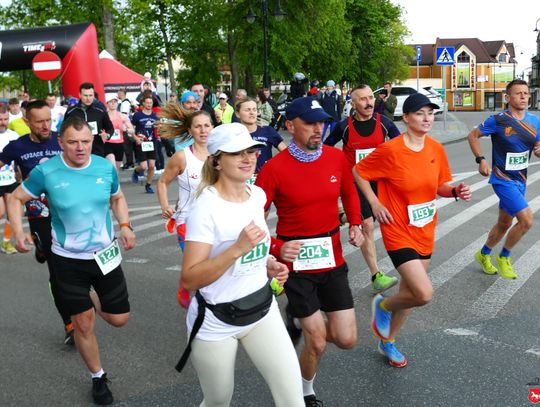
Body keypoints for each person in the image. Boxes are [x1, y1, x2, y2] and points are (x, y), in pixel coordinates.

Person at [8, 116, 136, 405]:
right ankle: (98, 377)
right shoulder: (47, 171)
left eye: (86, 142)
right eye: (73, 142)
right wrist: (18, 232)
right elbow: (15, 198)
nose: (80, 148)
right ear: (61, 143)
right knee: (83, 323)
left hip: (105, 256)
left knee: (119, 319)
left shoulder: (104, 167)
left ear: (92, 141)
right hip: (67, 260)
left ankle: (89, 297)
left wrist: (126, 225)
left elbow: (117, 198)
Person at [177, 122, 304, 407]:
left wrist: (268, 262)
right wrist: (237, 249)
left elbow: (254, 248)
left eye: (251, 151)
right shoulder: (205, 208)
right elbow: (190, 278)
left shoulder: (256, 195)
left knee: (293, 400)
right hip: (217, 320)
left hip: (261, 309)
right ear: (216, 161)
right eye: (237, 153)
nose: (248, 158)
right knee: (218, 400)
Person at [255, 97, 364, 406]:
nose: (319, 129)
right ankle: (305, 392)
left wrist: (355, 223)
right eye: (310, 123)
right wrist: (276, 247)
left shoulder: (335, 158)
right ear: (290, 126)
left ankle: (298, 316)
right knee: (317, 342)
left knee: (346, 339)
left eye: (322, 123)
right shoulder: (273, 169)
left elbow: (349, 191)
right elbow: (252, 219)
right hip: (296, 266)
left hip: (332, 259)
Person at [353, 93, 471, 368]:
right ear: (406, 118)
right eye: (420, 113)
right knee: (423, 293)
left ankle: (388, 341)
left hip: (425, 229)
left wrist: (455, 191)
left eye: (430, 113)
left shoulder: (436, 149)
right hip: (397, 230)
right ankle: (383, 305)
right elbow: (359, 171)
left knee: (410, 294)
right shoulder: (391, 150)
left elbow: (440, 186)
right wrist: (374, 202)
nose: (427, 118)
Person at [0, 100, 73, 343]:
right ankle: (69, 323)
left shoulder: (61, 140)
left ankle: (41, 248)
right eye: (39, 121)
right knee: (57, 271)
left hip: (68, 212)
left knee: (74, 265)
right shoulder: (17, 146)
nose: (45, 126)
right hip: (39, 215)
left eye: (48, 120)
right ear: (27, 122)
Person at [325, 84, 400, 292]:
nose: (368, 103)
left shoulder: (384, 123)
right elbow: (326, 148)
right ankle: (376, 275)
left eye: (370, 98)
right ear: (354, 103)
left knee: (377, 219)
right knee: (367, 225)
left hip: (379, 181)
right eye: (363, 99)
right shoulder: (344, 127)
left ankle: (343, 216)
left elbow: (400, 145)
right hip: (354, 183)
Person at [468, 79, 540, 279]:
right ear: (508, 97)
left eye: (526, 93)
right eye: (518, 93)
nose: (523, 96)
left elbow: (537, 146)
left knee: (504, 223)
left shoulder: (535, 122)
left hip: (521, 180)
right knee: (526, 220)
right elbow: (472, 136)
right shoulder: (498, 120)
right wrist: (481, 159)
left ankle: (483, 254)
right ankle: (504, 257)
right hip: (502, 179)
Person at [157, 107, 213, 308]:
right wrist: (165, 206)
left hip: (215, 220)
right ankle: (200, 305)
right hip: (187, 222)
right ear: (190, 130)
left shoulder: (220, 155)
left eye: (207, 125)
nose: (203, 130)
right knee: (200, 269)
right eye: (198, 126)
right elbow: (162, 182)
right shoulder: (182, 157)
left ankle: (195, 289)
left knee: (213, 269)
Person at [235, 98, 286, 174]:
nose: (252, 113)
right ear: (237, 114)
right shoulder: (233, 134)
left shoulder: (267, 130)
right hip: (241, 177)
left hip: (265, 177)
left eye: (254, 109)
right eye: (247, 110)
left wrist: (275, 166)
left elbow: (286, 153)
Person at [64, 82, 115, 157]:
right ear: (80, 95)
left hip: (97, 151)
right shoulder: (71, 112)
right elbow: (64, 131)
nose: (88, 98)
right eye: (85, 95)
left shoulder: (100, 111)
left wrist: (107, 135)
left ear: (93, 95)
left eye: (90, 95)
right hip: (77, 152)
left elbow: (110, 128)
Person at [0, 105, 19, 254]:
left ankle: (5, 242)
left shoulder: (13, 136)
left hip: (11, 180)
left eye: (5, 119)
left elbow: (19, 157)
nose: (3, 122)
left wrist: (19, 171)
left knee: (13, 214)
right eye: (0, 119)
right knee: (0, 212)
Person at [131, 95, 158, 193]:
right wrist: (135, 138)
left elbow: (157, 128)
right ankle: (136, 171)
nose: (149, 105)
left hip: (151, 142)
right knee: (143, 166)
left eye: (151, 103)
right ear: (143, 103)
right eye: (147, 103)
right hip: (141, 143)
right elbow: (130, 128)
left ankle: (148, 185)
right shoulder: (137, 115)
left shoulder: (155, 116)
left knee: (152, 166)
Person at [105, 95, 135, 172]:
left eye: (115, 102)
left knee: (116, 169)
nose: (113, 103)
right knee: (113, 166)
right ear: (107, 104)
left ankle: (115, 180)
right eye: (111, 102)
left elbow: (132, 130)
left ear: (117, 103)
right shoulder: (104, 116)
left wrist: (126, 129)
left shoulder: (122, 116)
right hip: (107, 144)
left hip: (119, 145)